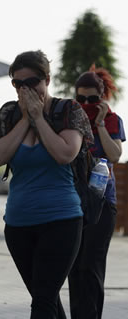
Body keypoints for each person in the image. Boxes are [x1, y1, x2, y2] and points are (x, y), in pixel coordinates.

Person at [0, 50, 94, 319]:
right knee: (44, 297)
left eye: (32, 82)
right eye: (17, 84)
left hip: (61, 220)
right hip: (18, 223)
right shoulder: (9, 114)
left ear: (47, 79)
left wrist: (39, 119)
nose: (25, 90)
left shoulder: (69, 111)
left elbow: (64, 153)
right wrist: (25, 119)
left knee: (43, 302)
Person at [68, 66, 125, 319]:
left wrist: (100, 123)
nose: (86, 104)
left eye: (92, 99)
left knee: (91, 266)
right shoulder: (69, 119)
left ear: (102, 98)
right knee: (73, 267)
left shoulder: (113, 120)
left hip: (103, 202)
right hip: (72, 201)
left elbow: (114, 155)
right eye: (81, 99)